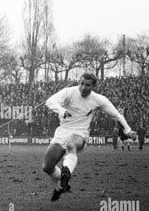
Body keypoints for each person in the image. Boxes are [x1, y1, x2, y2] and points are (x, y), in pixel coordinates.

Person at [43, 73, 136, 202]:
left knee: (71, 146)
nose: (83, 87)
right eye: (81, 83)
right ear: (79, 82)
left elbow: (116, 115)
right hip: (62, 131)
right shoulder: (69, 92)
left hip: (80, 132)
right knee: (47, 167)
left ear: (93, 86)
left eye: (87, 85)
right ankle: (62, 186)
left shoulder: (98, 99)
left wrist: (128, 130)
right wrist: (62, 111)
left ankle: (66, 173)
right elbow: (50, 102)